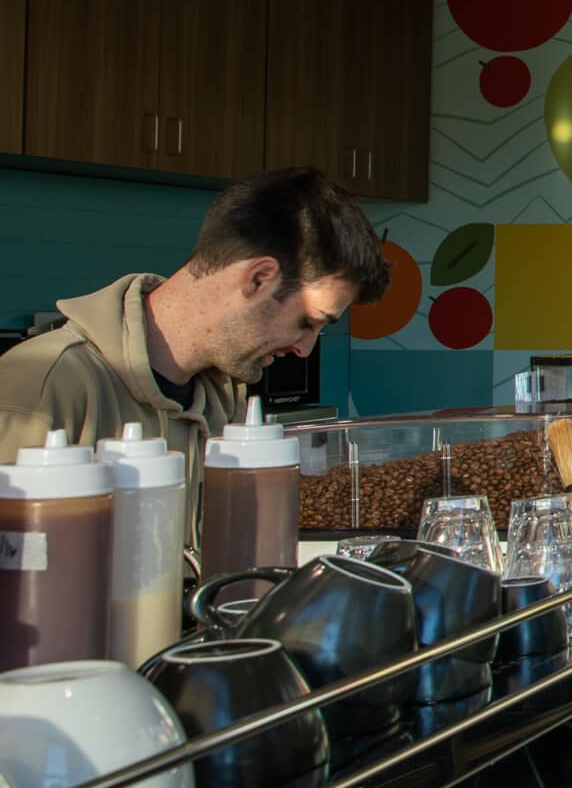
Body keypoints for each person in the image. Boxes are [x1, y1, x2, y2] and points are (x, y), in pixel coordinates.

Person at [0, 167, 388, 546]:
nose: (304, 349)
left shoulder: (225, 397)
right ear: (258, 278)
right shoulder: (44, 384)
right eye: (307, 321)